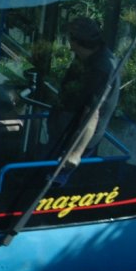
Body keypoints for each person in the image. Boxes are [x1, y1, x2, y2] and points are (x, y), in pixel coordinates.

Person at [49, 17, 120, 169]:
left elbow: (92, 113)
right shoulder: (85, 58)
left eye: (69, 38)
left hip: (75, 143)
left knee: (55, 187)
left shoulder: (101, 69)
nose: (69, 44)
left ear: (75, 41)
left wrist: (75, 153)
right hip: (64, 134)